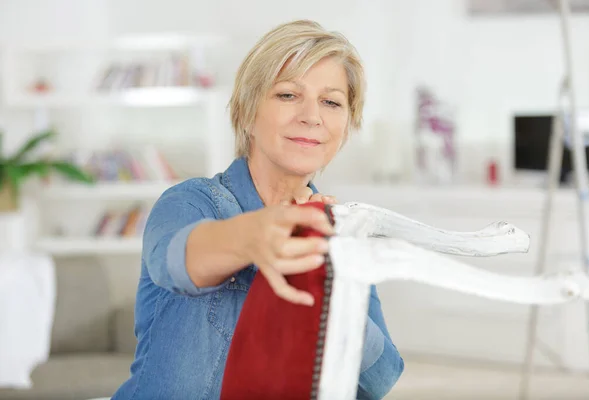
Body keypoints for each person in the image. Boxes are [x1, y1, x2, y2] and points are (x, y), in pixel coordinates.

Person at [112, 19, 403, 400]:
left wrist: (323, 281)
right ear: (247, 113)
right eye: (287, 95)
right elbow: (178, 261)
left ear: (346, 127)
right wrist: (256, 235)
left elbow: (380, 379)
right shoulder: (189, 201)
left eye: (331, 102)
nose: (312, 116)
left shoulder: (339, 231)